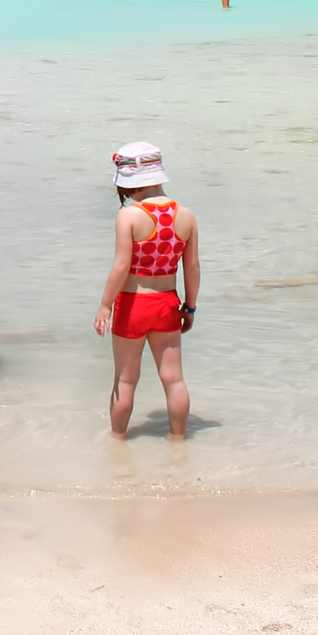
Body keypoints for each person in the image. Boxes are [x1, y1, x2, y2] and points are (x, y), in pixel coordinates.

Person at [93, 141, 200, 440]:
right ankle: (179, 441)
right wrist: (189, 307)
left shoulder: (129, 216)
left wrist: (105, 305)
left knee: (125, 381)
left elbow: (121, 265)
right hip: (167, 303)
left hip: (132, 305)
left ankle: (117, 442)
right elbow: (191, 268)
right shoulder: (186, 216)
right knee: (174, 379)